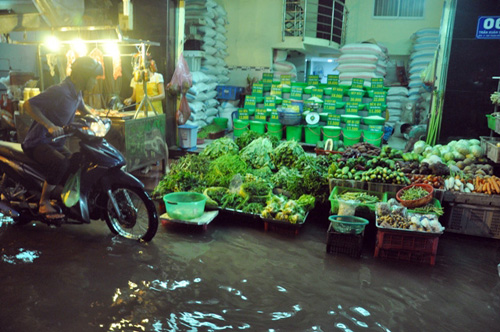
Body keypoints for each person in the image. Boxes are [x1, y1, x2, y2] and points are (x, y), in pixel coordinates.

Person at [22, 56, 103, 220]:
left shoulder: (76, 92)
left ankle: (59, 197)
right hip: (38, 142)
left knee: (76, 163)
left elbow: (82, 107)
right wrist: (49, 125)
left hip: (55, 144)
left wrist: (96, 116)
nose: (95, 82)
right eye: (94, 78)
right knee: (61, 163)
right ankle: (43, 202)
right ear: (83, 76)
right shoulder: (60, 91)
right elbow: (28, 105)